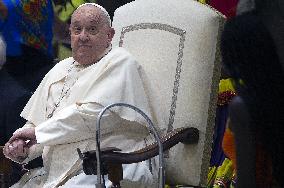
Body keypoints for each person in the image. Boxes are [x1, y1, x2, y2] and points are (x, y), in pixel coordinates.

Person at [3, 3, 157, 188]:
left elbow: (94, 115)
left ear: (109, 35)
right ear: (70, 33)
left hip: (111, 166)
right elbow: (37, 124)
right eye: (77, 29)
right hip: (59, 172)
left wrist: (37, 134)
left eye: (92, 29)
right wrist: (24, 149)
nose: (83, 36)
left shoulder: (120, 61)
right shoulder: (59, 68)